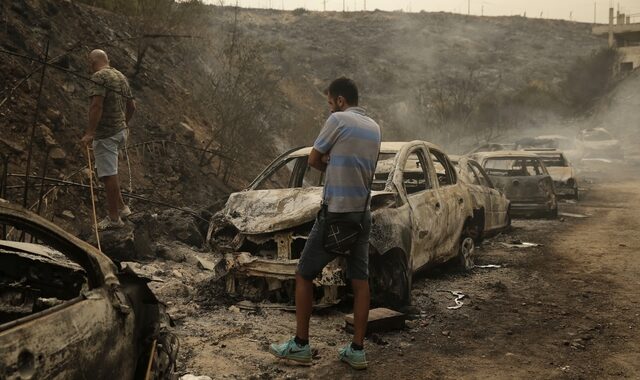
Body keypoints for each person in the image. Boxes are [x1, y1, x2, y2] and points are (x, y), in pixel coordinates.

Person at [270, 77, 381, 370]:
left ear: (340, 101)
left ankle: (301, 346)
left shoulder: (338, 121)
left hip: (336, 213)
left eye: (330, 102)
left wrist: (328, 161)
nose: (330, 108)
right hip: (362, 213)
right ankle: (357, 350)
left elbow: (313, 160)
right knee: (360, 281)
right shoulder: (375, 127)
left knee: (304, 274)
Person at [81, 49, 136, 230]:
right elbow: (132, 106)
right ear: (107, 59)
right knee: (108, 171)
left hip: (106, 135)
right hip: (120, 131)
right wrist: (124, 124)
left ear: (92, 62)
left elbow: (96, 106)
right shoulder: (120, 76)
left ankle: (113, 219)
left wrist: (90, 132)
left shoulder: (99, 77)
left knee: (108, 174)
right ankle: (122, 208)